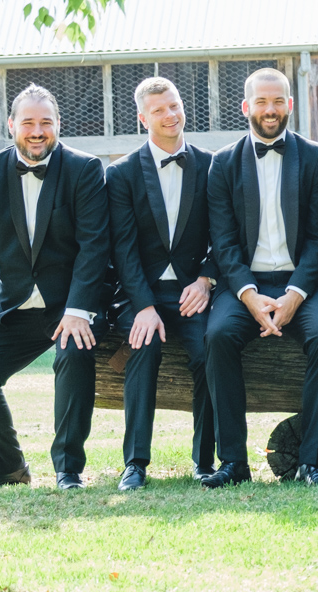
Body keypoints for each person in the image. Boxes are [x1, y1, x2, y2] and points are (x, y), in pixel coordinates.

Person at [0, 85, 109, 489]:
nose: (37, 131)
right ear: (12, 126)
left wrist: (78, 309)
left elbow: (95, 247)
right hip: (14, 308)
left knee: (74, 354)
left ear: (58, 125)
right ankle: (8, 467)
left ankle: (68, 469)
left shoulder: (84, 168)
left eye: (46, 122)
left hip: (71, 305)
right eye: (28, 123)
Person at [202, 67, 318, 487]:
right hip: (246, 284)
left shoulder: (316, 157)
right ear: (246, 106)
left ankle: (312, 461)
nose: (270, 109)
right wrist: (249, 295)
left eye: (278, 100)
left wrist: (296, 294)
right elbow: (223, 243)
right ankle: (233, 463)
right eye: (261, 101)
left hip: (304, 281)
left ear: (290, 105)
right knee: (218, 336)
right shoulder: (223, 164)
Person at [105, 76, 218, 490]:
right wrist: (145, 306)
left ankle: (205, 460)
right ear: (142, 118)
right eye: (159, 110)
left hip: (195, 291)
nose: (170, 115)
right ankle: (134, 463)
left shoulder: (211, 165)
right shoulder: (121, 174)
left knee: (210, 349)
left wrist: (206, 280)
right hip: (141, 293)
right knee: (143, 345)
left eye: (174, 106)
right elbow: (122, 249)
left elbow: (225, 235)